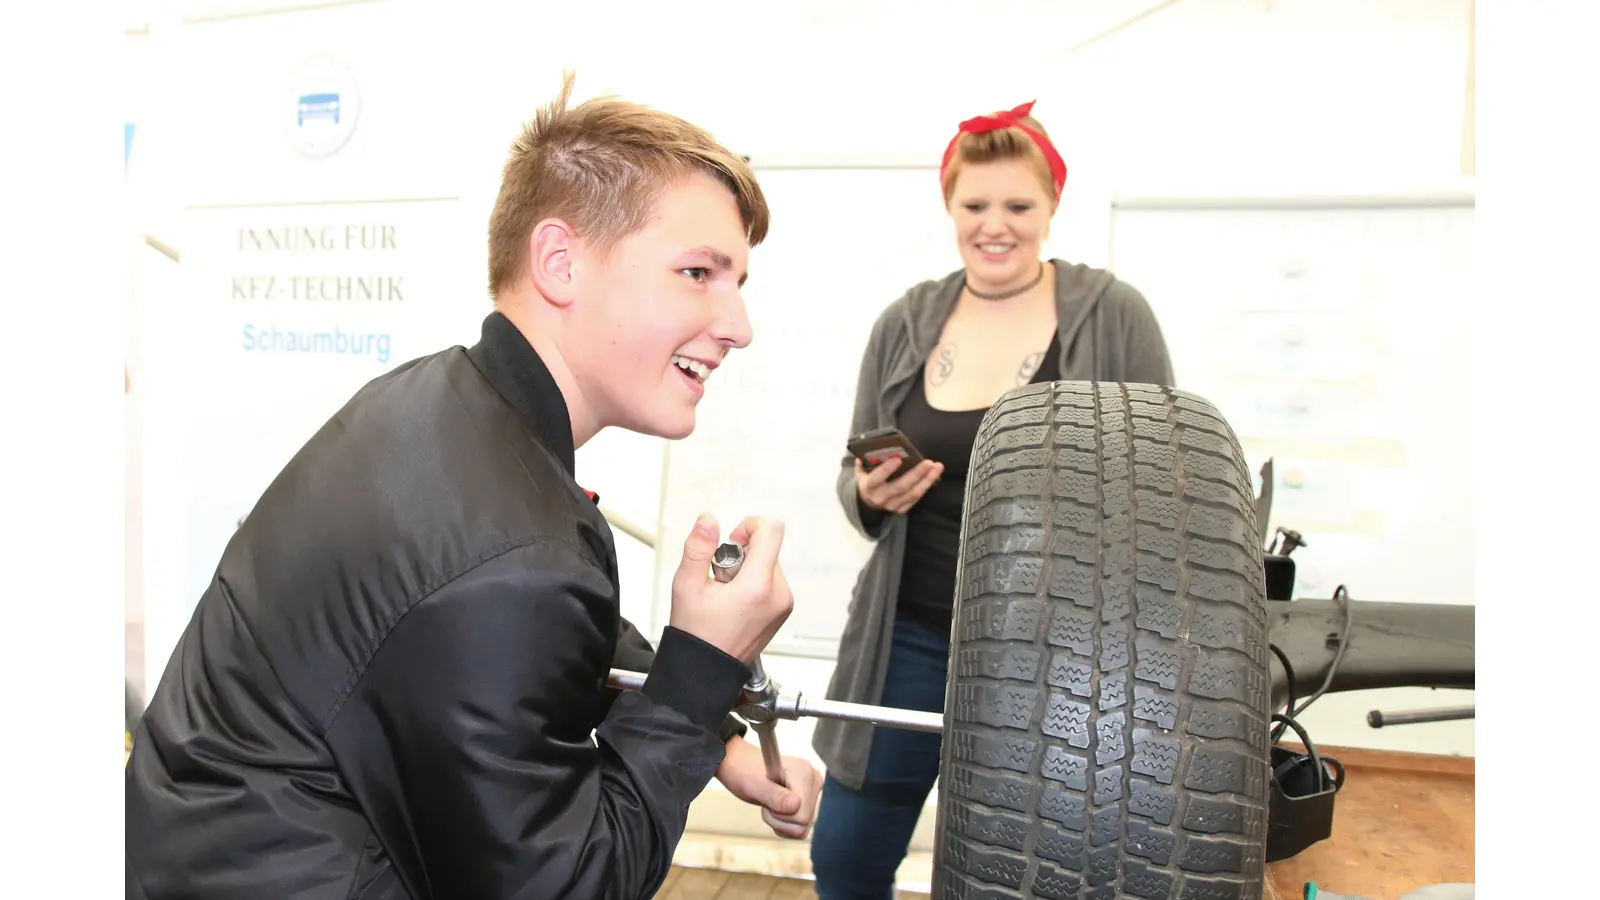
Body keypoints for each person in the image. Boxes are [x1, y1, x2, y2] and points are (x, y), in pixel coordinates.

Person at [125, 72, 822, 900]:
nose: (738, 326)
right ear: (561, 262)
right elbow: (564, 886)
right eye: (699, 273)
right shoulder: (511, 554)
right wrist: (702, 670)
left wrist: (713, 725)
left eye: (738, 283)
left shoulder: (441, 405)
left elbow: (529, 639)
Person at [807, 100, 1175, 898]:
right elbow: (853, 474)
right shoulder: (904, 323)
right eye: (975, 206)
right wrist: (870, 492)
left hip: (1055, 657)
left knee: (1017, 873)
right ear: (950, 207)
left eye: (1018, 205)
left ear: (1051, 208)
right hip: (909, 638)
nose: (994, 225)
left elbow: (1162, 480)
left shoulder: (1115, 315)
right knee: (845, 856)